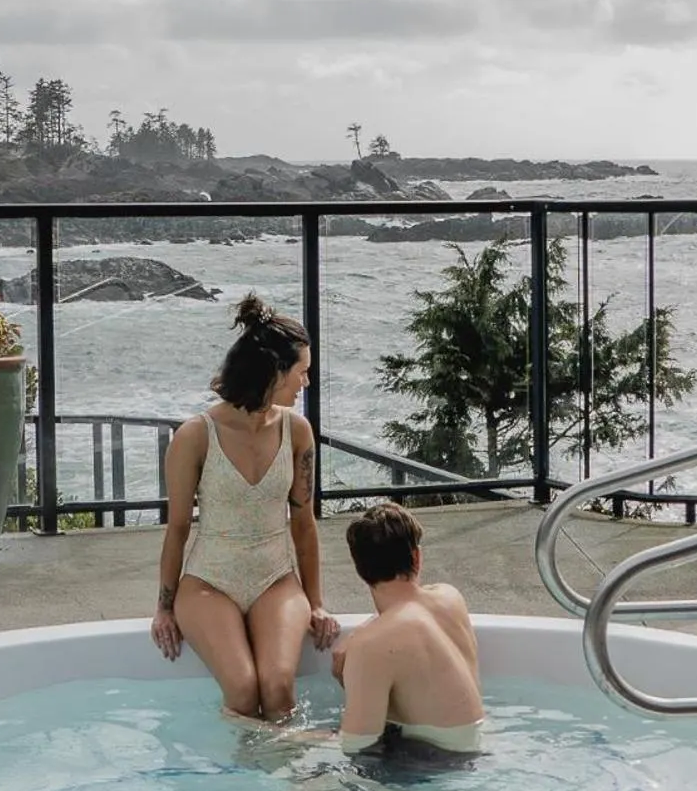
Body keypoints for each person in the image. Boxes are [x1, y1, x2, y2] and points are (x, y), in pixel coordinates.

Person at [150, 294, 340, 720]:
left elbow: (304, 524)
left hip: (276, 579)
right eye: (302, 372)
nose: (306, 382)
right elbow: (177, 528)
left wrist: (316, 602)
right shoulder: (195, 436)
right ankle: (257, 761)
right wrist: (163, 607)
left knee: (278, 688)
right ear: (275, 371)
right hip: (208, 582)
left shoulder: (297, 432)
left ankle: (279, 761)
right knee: (241, 689)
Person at [330, 501, 484, 762]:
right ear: (416, 557)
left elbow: (356, 745)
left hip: (429, 764)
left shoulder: (370, 645)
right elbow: (404, 612)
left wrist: (280, 736)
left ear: (360, 570)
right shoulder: (450, 598)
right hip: (478, 746)